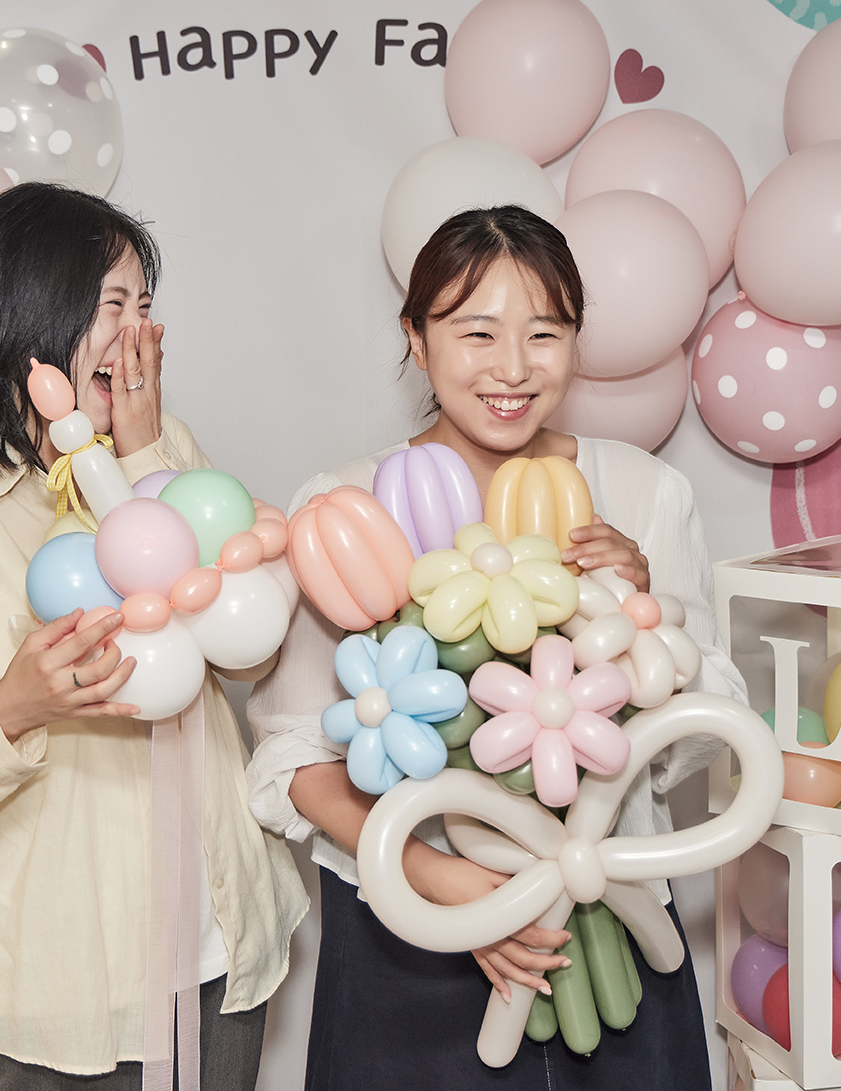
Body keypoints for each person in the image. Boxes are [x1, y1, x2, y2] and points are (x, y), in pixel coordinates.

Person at [245, 205, 745, 1089]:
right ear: (415, 337)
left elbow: (700, 736)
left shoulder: (642, 490)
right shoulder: (346, 506)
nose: (512, 368)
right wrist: (437, 879)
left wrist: (645, 618)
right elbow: (294, 757)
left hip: (608, 918)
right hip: (406, 940)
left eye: (544, 333)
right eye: (476, 333)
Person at [0, 182, 307, 1091]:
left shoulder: (166, 450)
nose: (139, 333)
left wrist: (144, 461)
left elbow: (247, 650)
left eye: (146, 306)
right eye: (112, 305)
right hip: (45, 996)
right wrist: (10, 711)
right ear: (27, 313)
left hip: (219, 953)